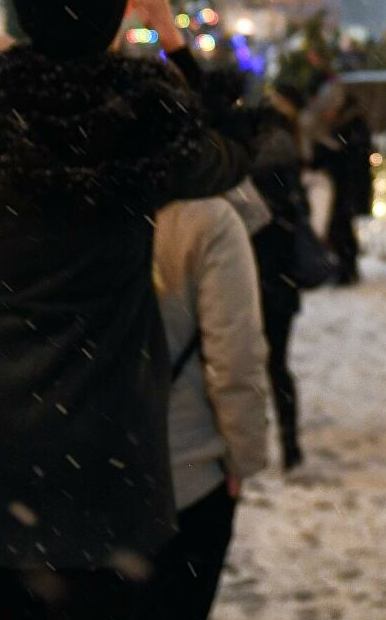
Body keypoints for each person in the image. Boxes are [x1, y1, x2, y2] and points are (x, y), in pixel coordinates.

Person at [0, 0, 256, 620]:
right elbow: (230, 149)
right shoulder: (145, 122)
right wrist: (168, 39)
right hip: (110, 452)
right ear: (115, 22)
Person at [139, 194, 271, 620]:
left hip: (88, 463)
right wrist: (242, 458)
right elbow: (235, 359)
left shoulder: (80, 191)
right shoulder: (210, 218)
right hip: (188, 468)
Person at [245, 80, 324, 467]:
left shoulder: (244, 184)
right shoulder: (288, 179)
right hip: (281, 281)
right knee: (278, 365)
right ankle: (290, 445)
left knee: (245, 367)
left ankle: (252, 443)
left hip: (249, 282)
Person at [305, 73, 372, 285]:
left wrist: (332, 152)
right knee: (339, 225)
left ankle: (348, 268)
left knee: (342, 225)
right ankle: (345, 268)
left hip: (347, 181)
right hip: (340, 181)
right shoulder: (342, 121)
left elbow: (355, 152)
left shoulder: (351, 121)